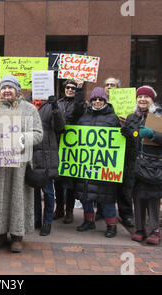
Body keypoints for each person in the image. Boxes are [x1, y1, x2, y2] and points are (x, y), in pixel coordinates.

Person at [0, 74, 43, 253]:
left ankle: (17, 236)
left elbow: (38, 133)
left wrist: (23, 137)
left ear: (17, 89)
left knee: (17, 198)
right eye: (4, 87)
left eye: (10, 87)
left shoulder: (29, 109)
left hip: (19, 166)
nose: (7, 90)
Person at [120, 86, 162, 245]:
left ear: (152, 99)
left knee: (153, 198)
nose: (142, 99)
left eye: (146, 96)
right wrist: (127, 134)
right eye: (140, 96)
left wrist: (153, 135)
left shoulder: (161, 117)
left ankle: (154, 230)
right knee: (137, 197)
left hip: (153, 164)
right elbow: (134, 139)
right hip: (135, 164)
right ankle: (140, 229)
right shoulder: (132, 117)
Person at [74, 87, 121, 238]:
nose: (98, 102)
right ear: (91, 101)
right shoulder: (84, 118)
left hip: (104, 165)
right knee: (86, 194)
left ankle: (111, 225)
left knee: (106, 197)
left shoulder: (113, 119)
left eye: (100, 99)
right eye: (95, 99)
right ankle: (88, 221)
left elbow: (119, 142)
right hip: (86, 164)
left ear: (105, 101)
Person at [99, 76, 135, 227]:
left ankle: (126, 214)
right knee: (102, 184)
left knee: (123, 186)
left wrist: (125, 124)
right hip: (105, 152)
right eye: (106, 85)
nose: (109, 87)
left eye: (112, 85)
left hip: (123, 152)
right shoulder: (99, 103)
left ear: (118, 88)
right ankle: (101, 212)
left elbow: (135, 131)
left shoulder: (129, 107)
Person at [32, 95, 66, 236]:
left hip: (47, 155)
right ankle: (36, 220)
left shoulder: (53, 104)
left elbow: (60, 127)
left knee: (48, 192)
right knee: (33, 192)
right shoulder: (27, 102)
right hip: (31, 154)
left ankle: (47, 222)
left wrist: (55, 109)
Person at [54, 78, 86, 224]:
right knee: (58, 180)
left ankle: (69, 211)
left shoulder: (79, 104)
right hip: (58, 144)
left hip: (73, 146)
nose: (70, 90)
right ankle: (59, 208)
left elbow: (79, 111)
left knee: (70, 181)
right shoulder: (59, 103)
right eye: (68, 87)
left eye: (73, 88)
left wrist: (80, 91)